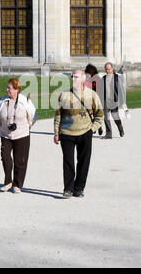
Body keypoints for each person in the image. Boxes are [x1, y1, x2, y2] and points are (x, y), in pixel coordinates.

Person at [54, 69, 103, 198]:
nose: (73, 79)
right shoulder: (64, 95)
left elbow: (99, 114)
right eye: (72, 77)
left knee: (83, 161)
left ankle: (79, 188)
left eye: (76, 77)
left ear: (83, 79)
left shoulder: (92, 95)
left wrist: (93, 128)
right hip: (67, 133)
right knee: (68, 162)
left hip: (85, 132)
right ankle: (68, 189)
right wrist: (56, 132)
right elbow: (58, 115)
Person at [0, 77, 37, 192]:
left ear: (17, 90)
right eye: (7, 88)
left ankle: (17, 185)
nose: (7, 90)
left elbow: (34, 115)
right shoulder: (2, 100)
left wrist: (28, 127)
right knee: (5, 156)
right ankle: (8, 181)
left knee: (20, 160)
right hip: (6, 134)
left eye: (10, 88)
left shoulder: (25, 101)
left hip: (22, 134)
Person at [99, 61, 127, 138]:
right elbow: (100, 90)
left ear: (112, 68)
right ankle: (109, 134)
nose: (108, 71)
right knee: (106, 117)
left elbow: (121, 90)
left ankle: (120, 129)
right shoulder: (103, 78)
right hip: (105, 101)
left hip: (114, 101)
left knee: (116, 117)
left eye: (109, 69)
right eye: (106, 69)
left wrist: (123, 102)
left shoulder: (117, 78)